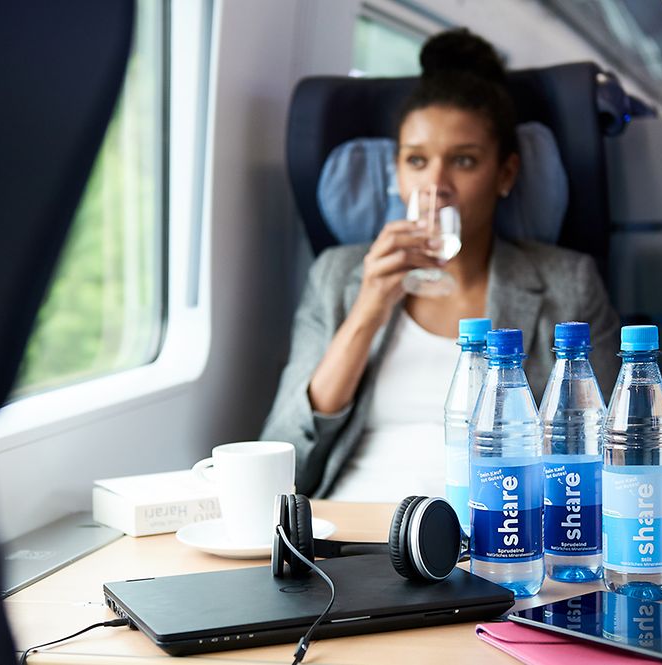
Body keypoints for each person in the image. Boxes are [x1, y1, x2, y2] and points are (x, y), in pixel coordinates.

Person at [261, 28, 620, 501]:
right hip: (350, 530)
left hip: (496, 530)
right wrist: (368, 311)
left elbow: (607, 458)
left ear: (505, 174)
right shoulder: (337, 275)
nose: (436, 184)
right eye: (416, 161)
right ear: (396, 172)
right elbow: (280, 456)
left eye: (464, 162)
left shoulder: (568, 284)